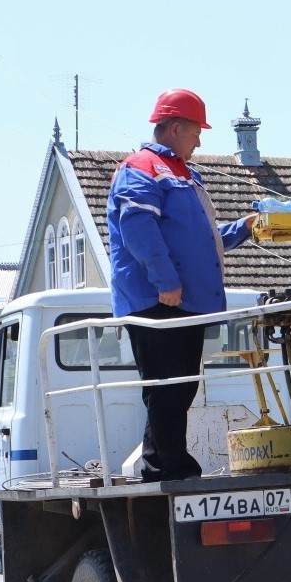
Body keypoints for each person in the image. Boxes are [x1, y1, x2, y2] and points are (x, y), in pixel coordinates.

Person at [107, 88, 256, 482]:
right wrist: (165, 281)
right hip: (156, 300)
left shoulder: (183, 175)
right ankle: (165, 467)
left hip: (181, 302)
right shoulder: (141, 167)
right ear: (175, 127)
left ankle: (164, 462)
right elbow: (136, 226)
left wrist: (244, 228)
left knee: (179, 388)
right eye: (195, 132)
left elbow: (202, 241)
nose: (200, 140)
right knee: (166, 388)